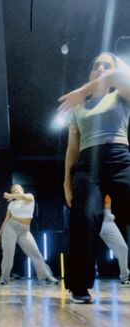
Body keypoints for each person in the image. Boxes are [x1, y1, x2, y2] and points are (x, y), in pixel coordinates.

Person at [59, 52, 130, 303]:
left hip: (119, 157)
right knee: (83, 219)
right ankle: (79, 286)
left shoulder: (121, 92)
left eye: (106, 65)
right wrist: (67, 181)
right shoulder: (77, 107)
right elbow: (72, 147)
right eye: (95, 65)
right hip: (87, 164)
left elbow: (119, 75)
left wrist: (83, 89)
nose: (100, 68)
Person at [0, 184, 59, 285]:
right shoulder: (11, 204)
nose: (16, 190)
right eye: (13, 190)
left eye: (17, 188)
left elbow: (23, 197)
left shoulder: (29, 197)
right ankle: (4, 279)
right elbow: (6, 220)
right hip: (11, 227)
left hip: (25, 230)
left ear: (22, 190)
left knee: (36, 253)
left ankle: (47, 277)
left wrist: (10, 196)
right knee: (8, 254)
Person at [100, 195, 130, 286]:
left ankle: (124, 278)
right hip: (90, 215)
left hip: (107, 219)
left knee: (123, 248)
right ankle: (79, 284)